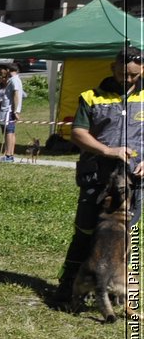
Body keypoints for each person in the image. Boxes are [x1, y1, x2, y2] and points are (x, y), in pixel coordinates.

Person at [52, 46, 144, 306]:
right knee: (85, 232)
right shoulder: (91, 97)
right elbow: (78, 133)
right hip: (96, 178)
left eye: (134, 75)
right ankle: (69, 284)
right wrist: (108, 150)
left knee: (127, 238)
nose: (127, 79)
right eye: (123, 73)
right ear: (112, 68)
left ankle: (121, 292)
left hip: (134, 181)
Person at [0, 63, 24, 161]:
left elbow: (16, 95)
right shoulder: (13, 80)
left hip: (9, 110)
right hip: (9, 110)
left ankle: (8, 155)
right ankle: (10, 154)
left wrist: (16, 111)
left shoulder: (14, 80)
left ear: (9, 70)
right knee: (11, 131)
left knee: (8, 132)